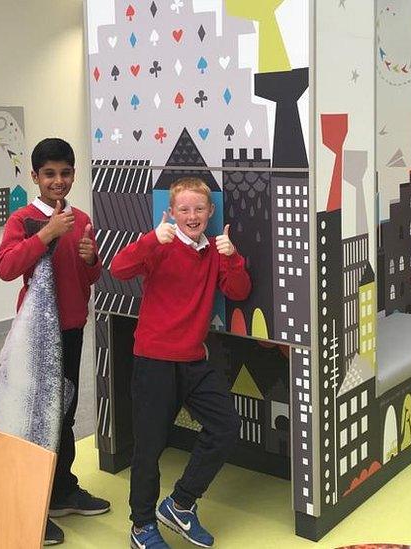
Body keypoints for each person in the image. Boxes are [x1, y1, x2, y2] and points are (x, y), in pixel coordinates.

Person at [111, 177, 251, 549]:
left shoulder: (216, 251)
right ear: (171, 212)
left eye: (199, 209)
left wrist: (232, 256)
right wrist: (151, 240)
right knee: (149, 448)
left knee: (224, 427)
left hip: (193, 360)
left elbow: (238, 290)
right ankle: (141, 526)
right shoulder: (160, 245)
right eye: (184, 209)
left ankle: (180, 503)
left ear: (210, 212)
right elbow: (119, 269)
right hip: (154, 360)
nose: (192, 216)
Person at [0, 137, 109, 546]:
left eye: (64, 173)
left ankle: (61, 491)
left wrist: (91, 259)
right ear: (35, 177)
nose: (57, 181)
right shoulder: (23, 219)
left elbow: (89, 279)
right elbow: (6, 267)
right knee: (36, 417)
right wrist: (45, 234)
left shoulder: (81, 218)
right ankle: (30, 503)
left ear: (74, 174)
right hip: (35, 335)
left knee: (64, 411)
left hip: (72, 327)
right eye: (49, 174)